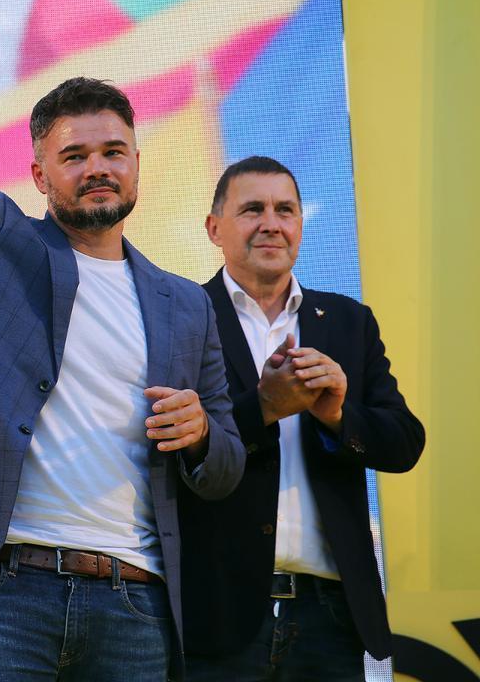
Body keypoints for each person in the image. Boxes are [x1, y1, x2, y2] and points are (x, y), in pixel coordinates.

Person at [0, 18, 245, 681]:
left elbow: (223, 468)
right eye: (75, 156)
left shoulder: (187, 303)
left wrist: (202, 433)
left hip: (135, 604)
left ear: (137, 163)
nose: (97, 168)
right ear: (38, 173)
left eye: (114, 151)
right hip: (1, 593)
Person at [179, 156, 425, 680]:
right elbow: (167, 450)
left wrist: (337, 415)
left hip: (328, 615)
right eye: (252, 209)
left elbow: (404, 443)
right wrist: (264, 408)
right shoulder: (182, 316)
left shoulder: (347, 322)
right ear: (213, 228)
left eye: (285, 209)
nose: (271, 222)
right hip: (216, 615)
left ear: (300, 225)